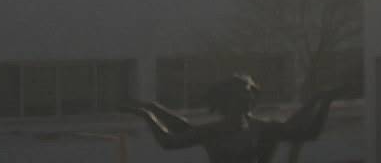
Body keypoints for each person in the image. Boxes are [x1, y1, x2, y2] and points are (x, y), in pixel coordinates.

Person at [128, 75, 344, 163]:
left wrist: (324, 101)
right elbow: (170, 140)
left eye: (249, 94)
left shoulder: (263, 128)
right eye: (242, 94)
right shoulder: (212, 131)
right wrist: (149, 114)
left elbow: (309, 132)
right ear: (228, 100)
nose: (247, 98)